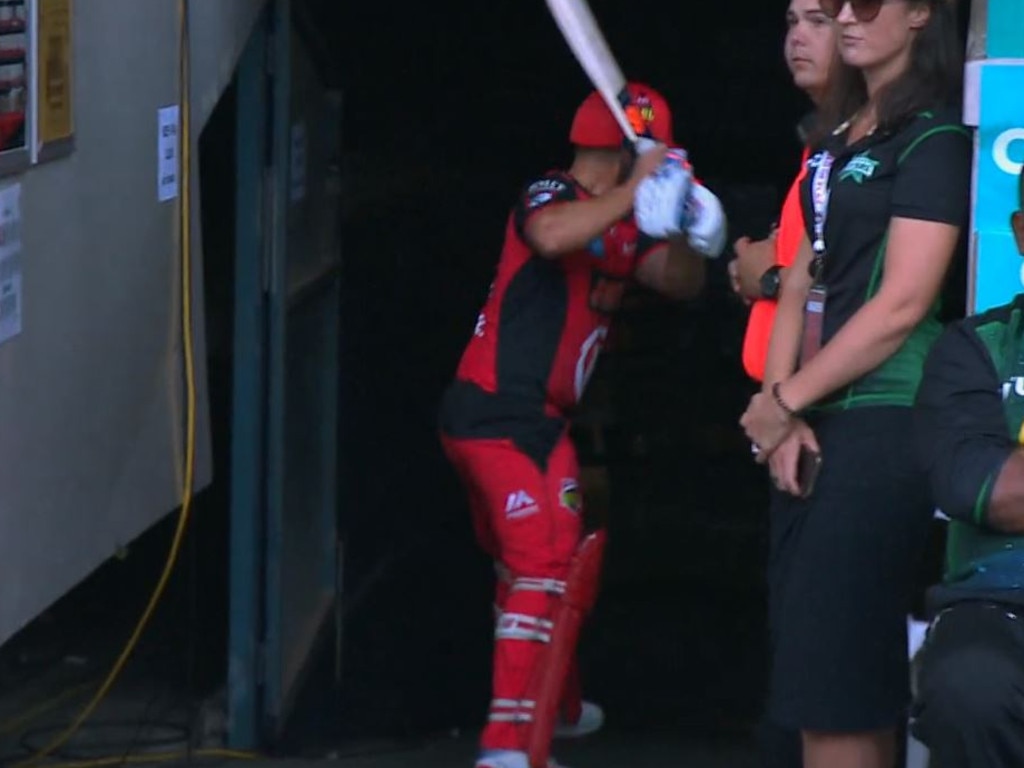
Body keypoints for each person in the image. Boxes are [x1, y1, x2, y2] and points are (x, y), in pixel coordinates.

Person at [438, 83, 725, 768]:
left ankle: (555, 712)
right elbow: (549, 234)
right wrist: (639, 190)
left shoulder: (622, 224)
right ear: (626, 154)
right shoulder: (550, 192)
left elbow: (678, 280)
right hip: (500, 415)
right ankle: (506, 750)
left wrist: (689, 225)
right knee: (544, 562)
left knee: (542, 569)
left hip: (534, 424)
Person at [738, 1, 971, 766]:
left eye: (863, 4)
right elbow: (802, 276)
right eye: (832, 5)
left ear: (917, 15)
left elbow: (902, 302)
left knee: (836, 696)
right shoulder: (836, 142)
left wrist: (787, 400)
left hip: (885, 421)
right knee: (827, 689)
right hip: (814, 426)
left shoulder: (934, 137)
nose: (842, 17)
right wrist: (780, 408)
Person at [910, 166, 1024, 768]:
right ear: (1021, 233)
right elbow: (984, 490)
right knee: (970, 687)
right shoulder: (975, 347)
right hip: (1001, 603)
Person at [728, 0, 838, 385]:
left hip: (821, 397)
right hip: (783, 396)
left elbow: (855, 281)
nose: (797, 36)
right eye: (792, 22)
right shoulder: (818, 145)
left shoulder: (861, 147)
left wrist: (770, 277)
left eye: (817, 22)